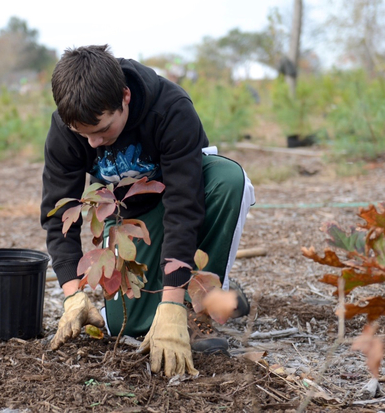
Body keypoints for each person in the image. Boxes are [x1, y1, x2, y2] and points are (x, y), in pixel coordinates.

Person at [40, 45, 255, 377]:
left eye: (101, 130)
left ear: (125, 97)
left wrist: (172, 306)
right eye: (83, 135)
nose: (93, 144)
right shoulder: (65, 131)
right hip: (130, 219)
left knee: (228, 179)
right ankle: (224, 296)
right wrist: (72, 293)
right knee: (129, 327)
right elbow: (59, 216)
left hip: (182, 200)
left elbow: (185, 207)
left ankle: (202, 308)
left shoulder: (170, 109)